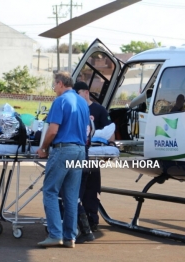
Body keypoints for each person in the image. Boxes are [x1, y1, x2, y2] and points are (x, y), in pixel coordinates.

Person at [36, 71, 89, 248]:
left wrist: (43, 147)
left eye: (54, 85)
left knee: (50, 191)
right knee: (71, 196)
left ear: (60, 84)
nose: (54, 89)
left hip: (63, 149)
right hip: (80, 151)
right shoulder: (82, 102)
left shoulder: (60, 101)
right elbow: (88, 130)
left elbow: (52, 130)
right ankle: (70, 237)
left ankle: (55, 234)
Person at [73, 81, 114, 241]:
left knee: (92, 189)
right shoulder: (74, 108)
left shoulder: (99, 110)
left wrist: (110, 147)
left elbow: (110, 129)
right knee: (79, 189)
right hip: (80, 154)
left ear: (86, 93)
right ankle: (78, 220)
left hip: (95, 156)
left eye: (79, 94)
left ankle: (92, 219)